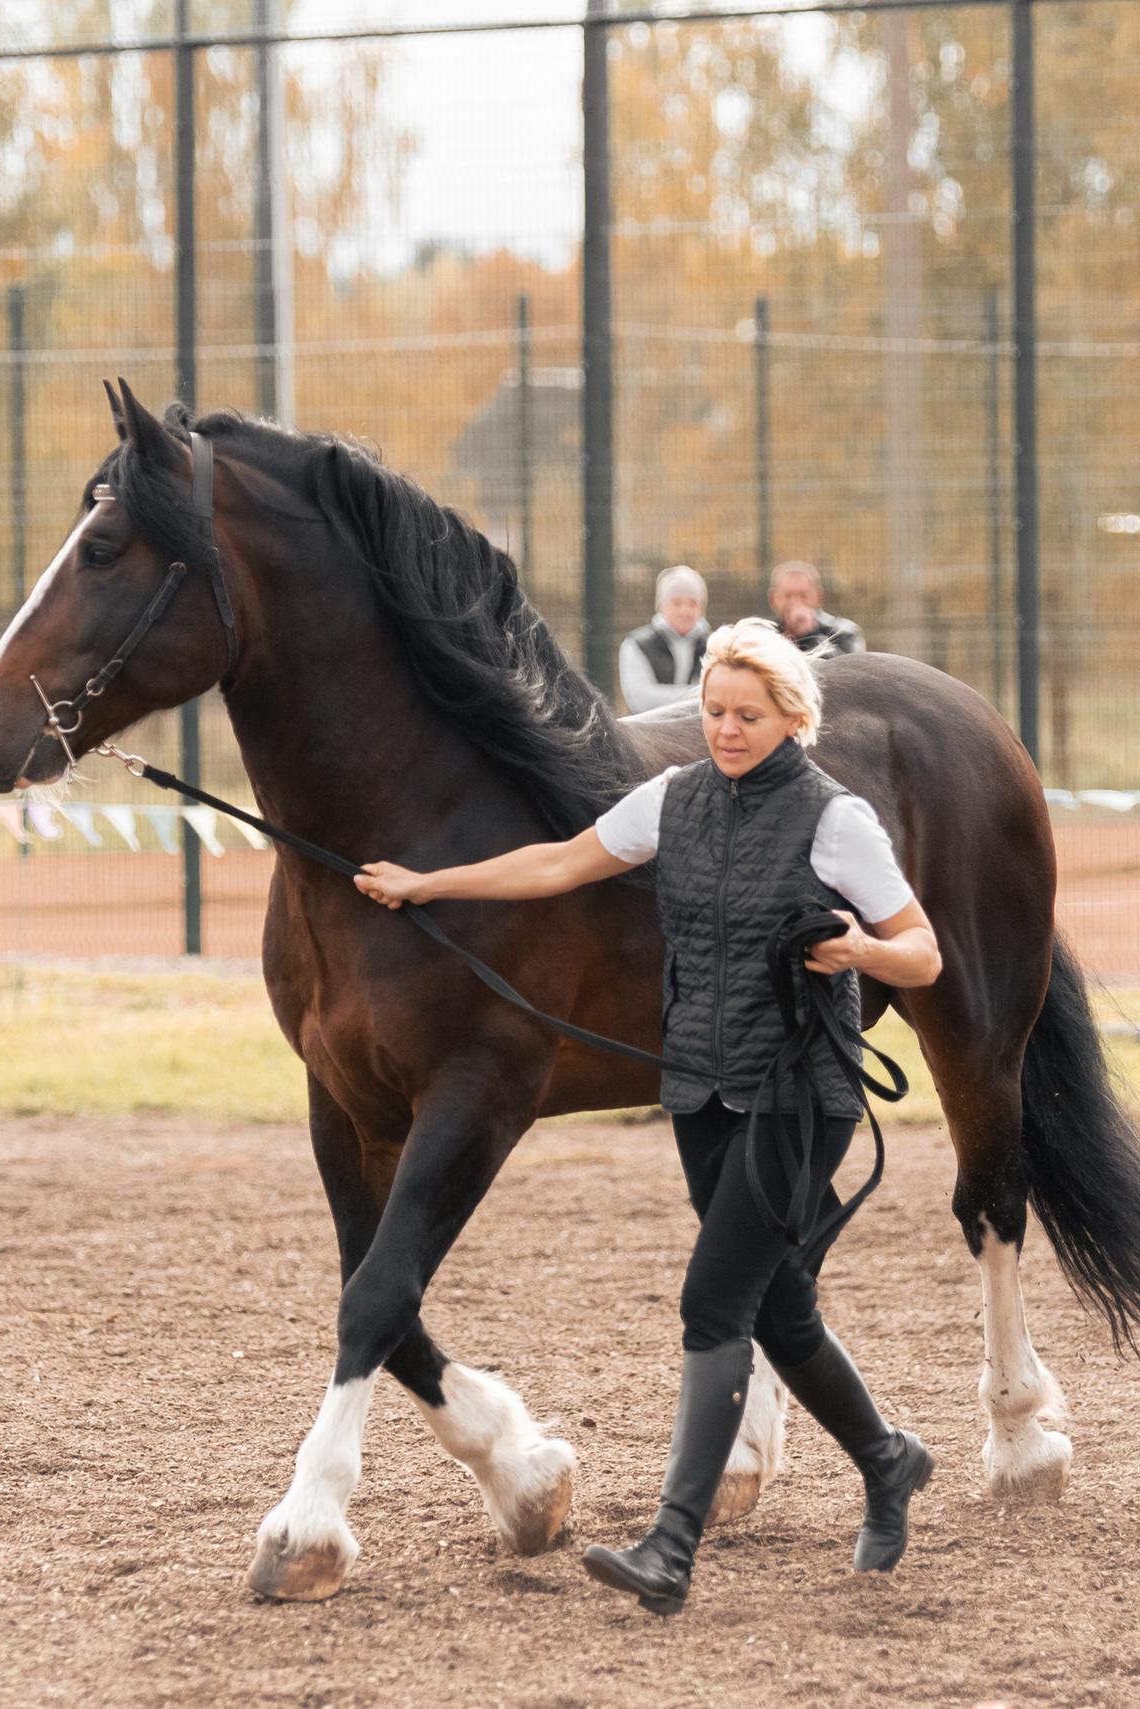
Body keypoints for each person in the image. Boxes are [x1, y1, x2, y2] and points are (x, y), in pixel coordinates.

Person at [355, 618, 941, 1615]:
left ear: (792, 717)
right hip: (703, 1087)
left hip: (801, 1095)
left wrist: (855, 949)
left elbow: (921, 952)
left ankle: (670, 1544)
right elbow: (557, 864)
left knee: (713, 1299)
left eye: (746, 715)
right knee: (778, 1305)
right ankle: (887, 1458)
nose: (724, 729)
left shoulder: (835, 820)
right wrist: (428, 884)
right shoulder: (672, 799)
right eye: (713, 711)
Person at [618, 565, 711, 713]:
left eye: (693, 603)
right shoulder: (636, 645)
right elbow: (641, 700)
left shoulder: (715, 647)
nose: (685, 610)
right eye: (677, 603)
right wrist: (700, 695)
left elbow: (724, 697)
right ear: (661, 606)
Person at [768, 560, 865, 657]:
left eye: (803, 595)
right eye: (788, 596)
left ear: (819, 596)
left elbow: (849, 668)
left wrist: (809, 636)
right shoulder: (763, 634)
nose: (796, 602)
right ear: (772, 599)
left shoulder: (844, 632)